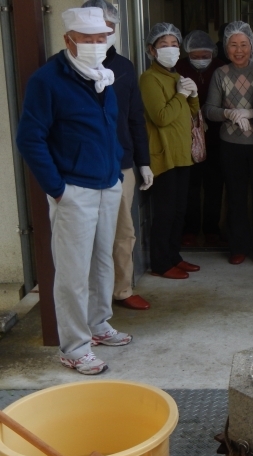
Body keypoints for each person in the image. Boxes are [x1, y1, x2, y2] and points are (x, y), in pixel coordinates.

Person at [16, 7, 132, 375]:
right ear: (68, 40)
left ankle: (98, 325)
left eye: (102, 38)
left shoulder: (104, 76)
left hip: (107, 183)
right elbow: (30, 139)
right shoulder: (47, 81)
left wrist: (115, 171)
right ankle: (74, 347)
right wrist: (57, 188)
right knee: (72, 271)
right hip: (74, 190)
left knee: (102, 262)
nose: (97, 45)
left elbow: (110, 127)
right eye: (88, 39)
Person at [81, 0, 152, 312]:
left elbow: (134, 115)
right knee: (85, 236)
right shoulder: (65, 69)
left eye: (110, 29)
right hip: (81, 167)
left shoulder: (123, 66)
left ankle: (121, 290)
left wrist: (143, 161)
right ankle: (89, 297)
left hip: (121, 162)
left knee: (124, 232)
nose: (104, 35)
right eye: (97, 29)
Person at [204, 21, 253, 267]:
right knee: (235, 196)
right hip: (230, 144)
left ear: (252, 45)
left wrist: (251, 113)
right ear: (226, 47)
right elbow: (209, 109)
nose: (239, 50)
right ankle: (238, 247)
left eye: (244, 44)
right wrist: (229, 114)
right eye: (233, 45)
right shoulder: (220, 74)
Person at [140, 23, 201, 279]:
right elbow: (162, 116)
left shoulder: (178, 78)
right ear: (152, 50)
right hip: (163, 156)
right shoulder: (149, 79)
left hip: (183, 154)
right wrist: (181, 95)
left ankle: (174, 256)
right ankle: (161, 263)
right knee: (164, 213)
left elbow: (192, 112)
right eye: (163, 45)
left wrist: (193, 93)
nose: (170, 49)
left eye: (174, 45)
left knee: (179, 210)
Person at [177, 30, 227, 249]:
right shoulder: (179, 68)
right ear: (187, 54)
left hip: (216, 136)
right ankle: (190, 230)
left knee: (214, 187)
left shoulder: (220, 68)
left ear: (212, 52)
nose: (200, 60)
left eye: (204, 55)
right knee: (190, 186)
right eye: (195, 56)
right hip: (187, 137)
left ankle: (211, 230)